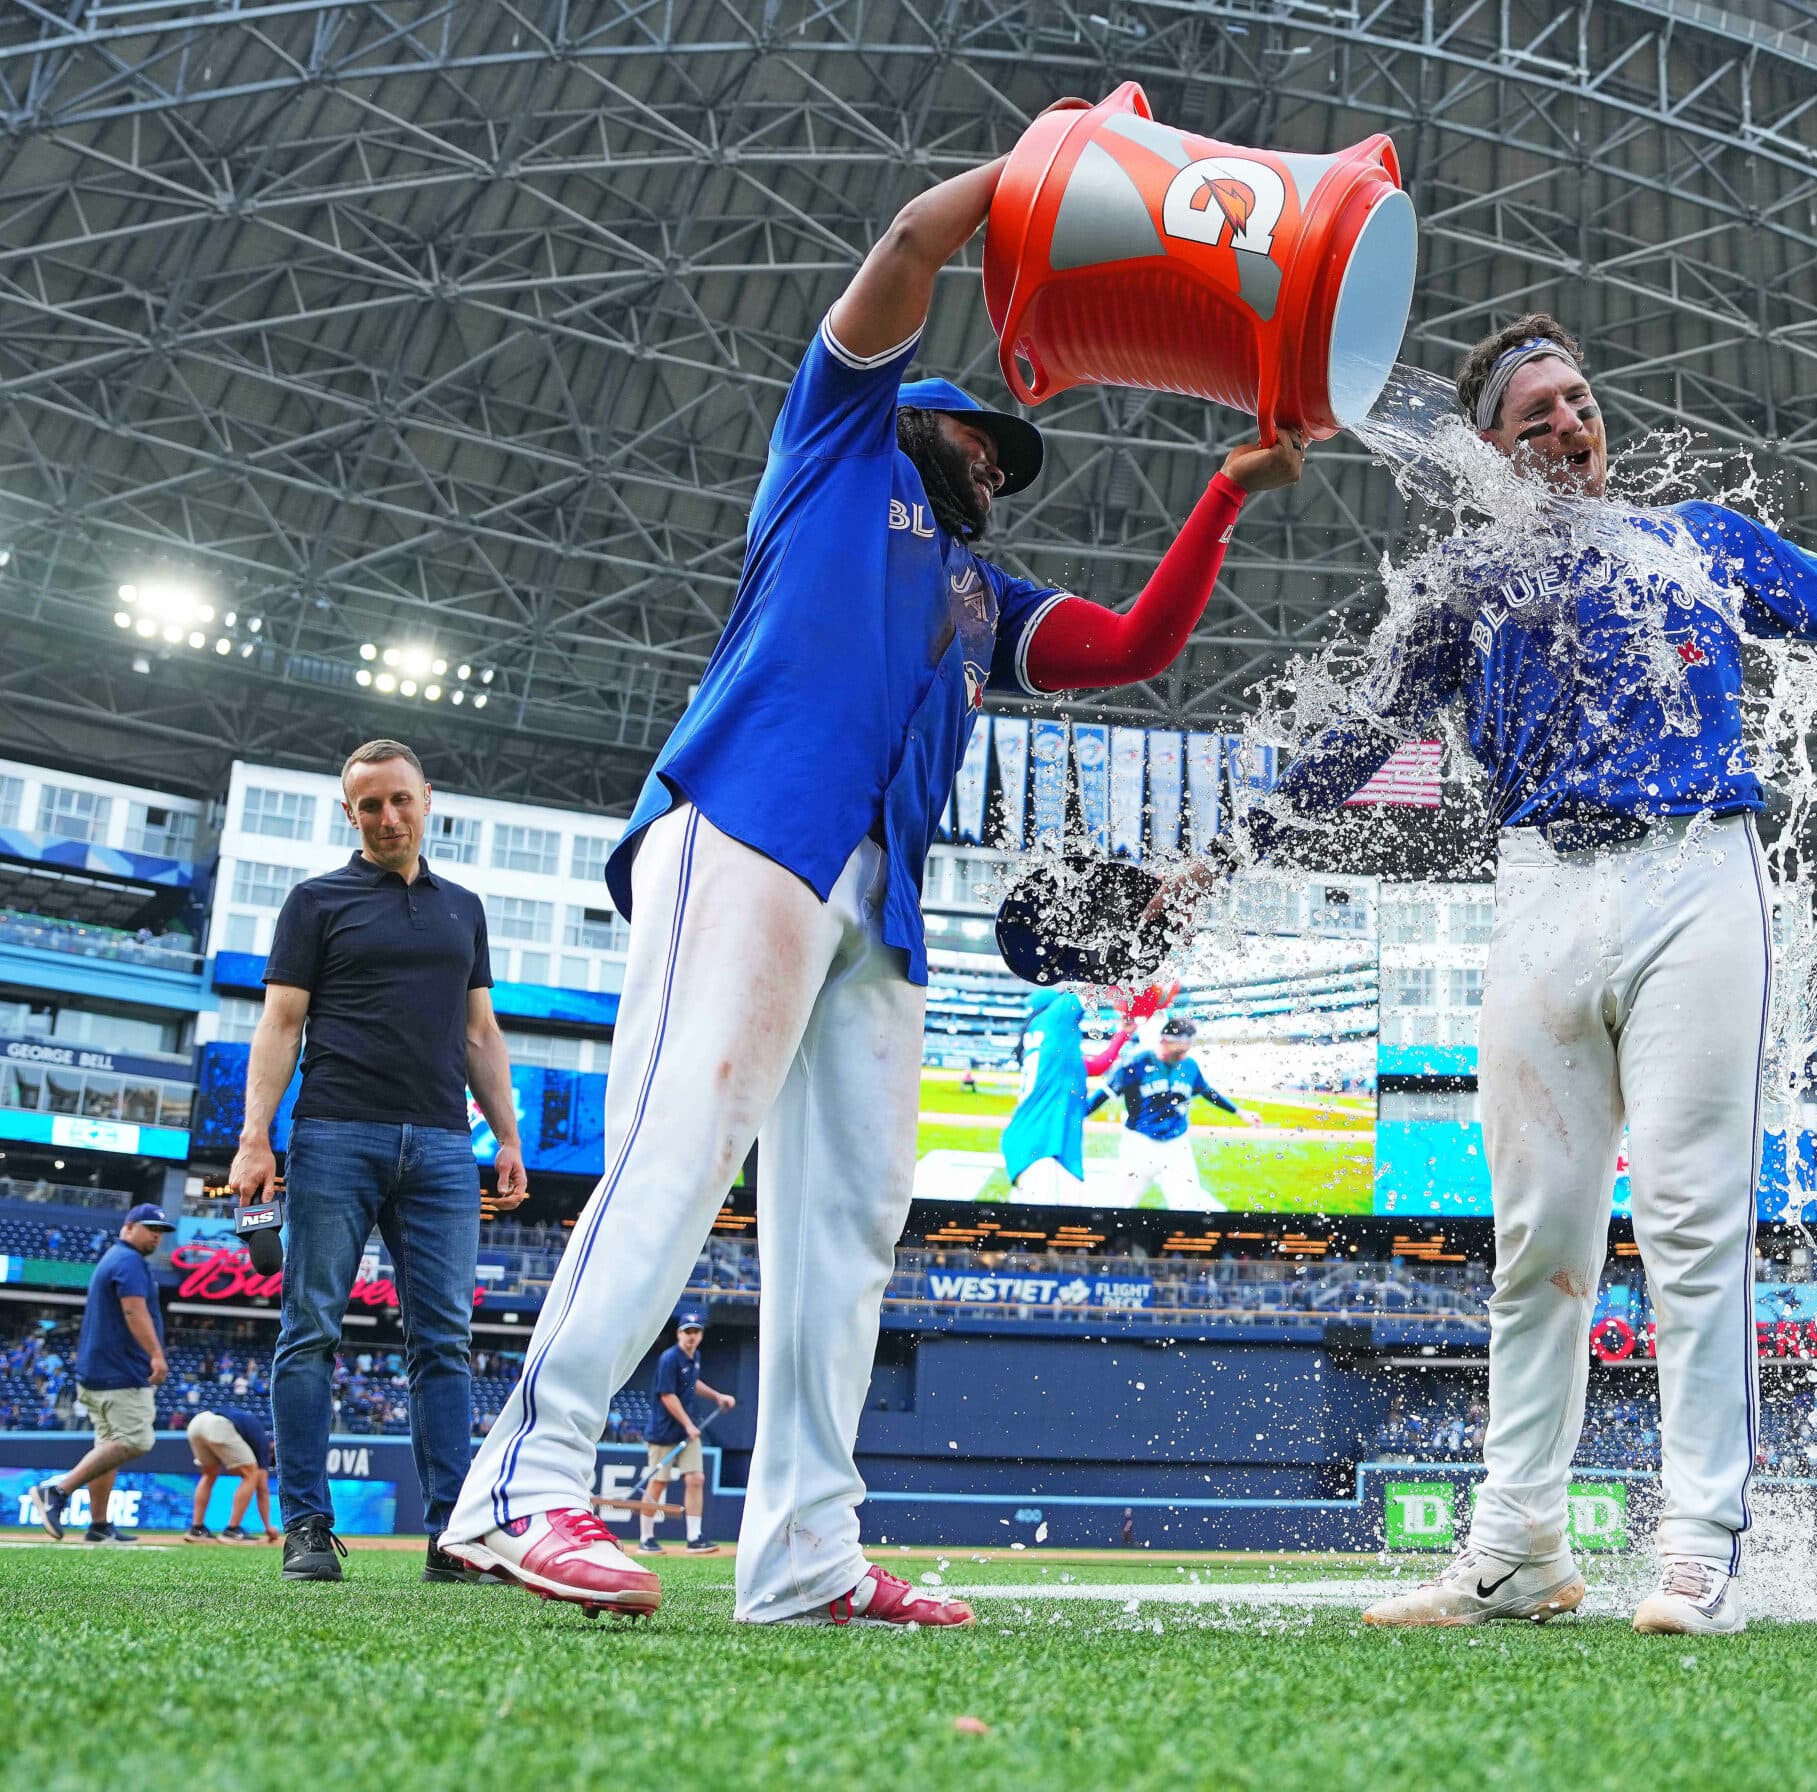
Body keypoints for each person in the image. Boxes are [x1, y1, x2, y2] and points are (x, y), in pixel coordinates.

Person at [437, 122, 1305, 1629]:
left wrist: (1226, 489)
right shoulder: (834, 450)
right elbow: (912, 243)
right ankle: (523, 1481)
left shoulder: (983, 591)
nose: (994, 467)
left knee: (851, 1224)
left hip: (878, 899)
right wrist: (1054, 170)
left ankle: (805, 1556)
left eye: (1004, 462)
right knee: (677, 1139)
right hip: (755, 823)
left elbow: (1134, 648)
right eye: (979, 439)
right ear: (919, 415)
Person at [1191, 313, 1817, 1637]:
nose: (1572, 427)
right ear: (1489, 450)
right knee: (1538, 1245)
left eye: (1580, 401)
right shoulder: (1461, 585)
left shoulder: (1701, 538)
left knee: (1694, 1227)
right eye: (1538, 418)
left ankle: (1697, 1551)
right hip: (1539, 890)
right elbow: (1347, 750)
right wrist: (1207, 868)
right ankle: (1517, 1550)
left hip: (1698, 877)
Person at [228, 739, 530, 1584]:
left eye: (400, 800)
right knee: (310, 1331)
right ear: (350, 812)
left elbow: (479, 1033)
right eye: (370, 805)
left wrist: (504, 1135)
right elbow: (281, 1024)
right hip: (335, 1135)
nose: (388, 818)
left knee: (444, 1341)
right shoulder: (314, 901)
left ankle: (451, 1535)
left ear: (428, 799)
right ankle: (308, 1531)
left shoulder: (462, 908)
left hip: (440, 1145)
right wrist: (257, 1137)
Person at [33, 1204, 175, 1544]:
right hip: (119, 1373)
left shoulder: (115, 1257)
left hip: (98, 1372)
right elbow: (133, 1309)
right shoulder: (128, 1260)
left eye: (161, 1231)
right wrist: (156, 1355)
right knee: (136, 1440)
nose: (157, 1235)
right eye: (150, 1228)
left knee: (108, 1448)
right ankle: (58, 1490)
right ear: (128, 1227)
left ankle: (98, 1526)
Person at [1086, 1015, 1262, 1209]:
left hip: (1176, 1144)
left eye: (1186, 1051)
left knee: (1186, 1205)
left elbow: (1207, 1092)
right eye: (1179, 1051)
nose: (1182, 1056)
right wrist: (1079, 1114)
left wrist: (1239, 1112)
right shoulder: (1137, 1063)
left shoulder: (1189, 1065)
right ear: (1164, 1041)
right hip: (1139, 1142)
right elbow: (1105, 1093)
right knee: (1119, 1205)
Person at [1004, 987, 1135, 1205]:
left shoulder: (1054, 1054)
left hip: (1041, 1142)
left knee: (1062, 1223)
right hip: (1040, 1143)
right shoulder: (1055, 1017)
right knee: (1047, 1225)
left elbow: (1095, 1068)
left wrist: (1122, 1035)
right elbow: (1091, 984)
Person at [635, 1311, 734, 1555]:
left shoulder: (694, 1357)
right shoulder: (669, 1359)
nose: (691, 1336)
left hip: (686, 1431)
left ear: (701, 1335)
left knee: (695, 1479)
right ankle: (646, 1539)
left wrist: (717, 1396)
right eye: (687, 1331)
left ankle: (694, 1537)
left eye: (696, 1331)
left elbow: (693, 1382)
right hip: (664, 1431)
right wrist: (689, 1424)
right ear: (679, 1333)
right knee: (658, 1482)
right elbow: (667, 1395)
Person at [183, 1404, 279, 1543]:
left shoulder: (252, 1429)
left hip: (198, 1422)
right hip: (219, 1425)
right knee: (251, 1474)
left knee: (209, 1474)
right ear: (273, 1449)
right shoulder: (263, 1444)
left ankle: (197, 1529)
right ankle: (232, 1530)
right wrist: (268, 1527)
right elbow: (262, 1489)